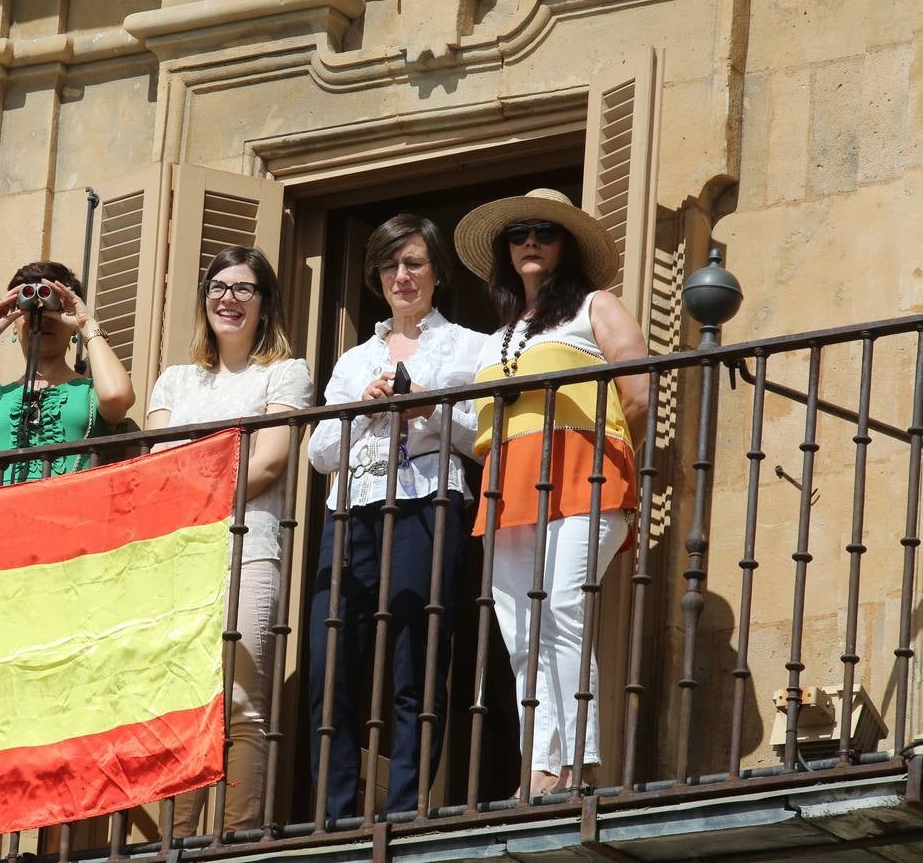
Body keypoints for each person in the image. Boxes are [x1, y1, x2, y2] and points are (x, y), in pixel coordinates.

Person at [452, 188, 647, 797]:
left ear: (566, 245)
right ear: (507, 251)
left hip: (582, 476)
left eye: (544, 231)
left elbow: (639, 391)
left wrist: (596, 449)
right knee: (522, 633)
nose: (530, 241)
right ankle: (539, 769)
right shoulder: (497, 337)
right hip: (509, 489)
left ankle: (579, 765)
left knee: (564, 610)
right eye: (518, 234)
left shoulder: (595, 306)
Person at [307, 214, 487, 820]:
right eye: (389, 265)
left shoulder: (470, 346)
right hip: (351, 513)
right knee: (329, 666)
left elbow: (482, 434)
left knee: (417, 660)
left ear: (437, 272)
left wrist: (426, 411)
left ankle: (407, 811)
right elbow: (319, 452)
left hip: (428, 505)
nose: (401, 276)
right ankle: (334, 813)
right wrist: (363, 407)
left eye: (413, 263)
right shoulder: (354, 359)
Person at [145, 246, 312, 837]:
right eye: (219, 286)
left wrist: (192, 475)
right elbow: (156, 465)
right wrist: (206, 470)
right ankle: (177, 840)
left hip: (252, 544)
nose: (229, 299)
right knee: (186, 700)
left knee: (242, 700)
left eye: (244, 289)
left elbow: (267, 464)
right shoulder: (175, 379)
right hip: (181, 551)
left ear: (264, 305)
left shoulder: (285, 373)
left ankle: (236, 836)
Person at [0, 261, 135, 483]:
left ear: (72, 329)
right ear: (13, 323)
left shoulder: (91, 393)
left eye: (55, 308)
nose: (42, 317)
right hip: (3, 515)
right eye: (29, 307)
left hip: (71, 513)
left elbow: (116, 396)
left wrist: (86, 324)